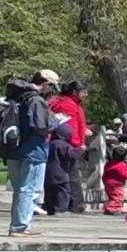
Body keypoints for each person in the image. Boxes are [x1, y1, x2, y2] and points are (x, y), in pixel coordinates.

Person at [5, 69, 61, 237]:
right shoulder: (36, 100)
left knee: (19, 190)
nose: (51, 92)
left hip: (14, 150)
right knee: (30, 190)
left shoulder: (16, 96)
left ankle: (17, 224)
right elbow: (40, 126)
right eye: (51, 87)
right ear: (45, 83)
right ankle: (20, 226)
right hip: (33, 151)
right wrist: (56, 122)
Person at [49, 81, 88, 214]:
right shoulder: (67, 105)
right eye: (83, 92)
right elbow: (69, 128)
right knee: (70, 176)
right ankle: (73, 204)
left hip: (66, 144)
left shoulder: (68, 103)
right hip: (68, 145)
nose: (85, 95)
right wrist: (77, 145)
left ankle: (71, 204)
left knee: (68, 176)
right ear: (74, 92)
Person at [44, 124, 86, 216]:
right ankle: (61, 209)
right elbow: (71, 155)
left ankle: (50, 208)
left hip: (48, 173)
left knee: (50, 192)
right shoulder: (63, 145)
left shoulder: (50, 143)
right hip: (61, 174)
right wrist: (81, 150)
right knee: (63, 191)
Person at [102, 145, 127, 215]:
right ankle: (112, 209)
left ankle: (109, 208)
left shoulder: (109, 163)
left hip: (107, 183)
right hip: (117, 184)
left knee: (111, 196)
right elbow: (125, 175)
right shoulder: (122, 165)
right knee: (117, 197)